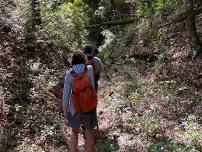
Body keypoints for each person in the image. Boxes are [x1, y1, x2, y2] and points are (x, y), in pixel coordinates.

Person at [62, 51, 97, 152]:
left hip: (74, 108)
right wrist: (94, 103)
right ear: (84, 59)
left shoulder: (69, 74)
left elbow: (66, 95)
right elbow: (92, 87)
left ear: (72, 61)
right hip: (88, 105)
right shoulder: (89, 69)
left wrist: (65, 111)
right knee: (89, 131)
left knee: (74, 132)